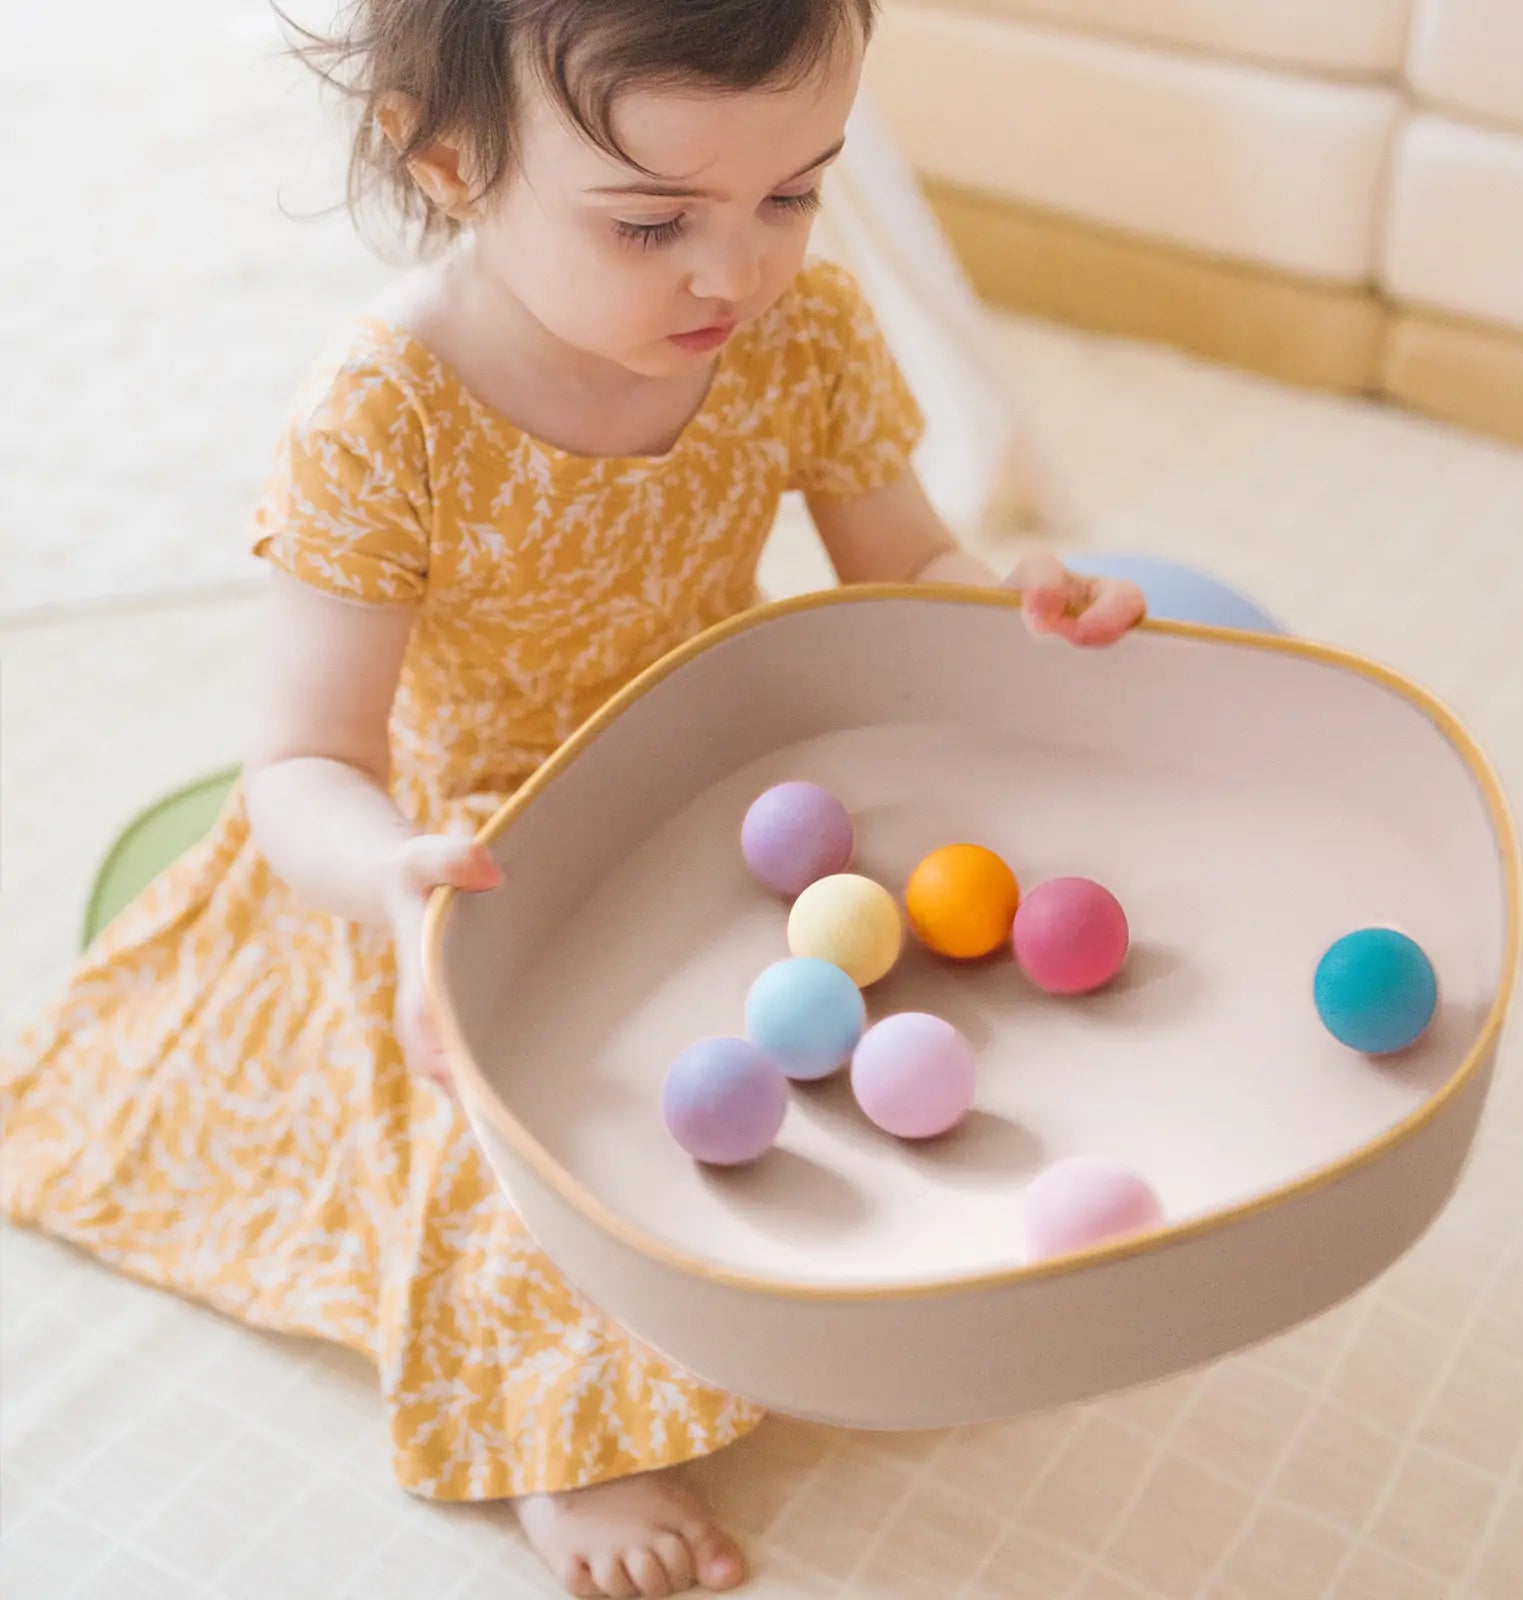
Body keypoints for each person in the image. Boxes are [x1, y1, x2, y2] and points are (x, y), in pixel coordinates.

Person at [0, 2, 1143, 1594]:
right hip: (468, 846)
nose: (733, 272)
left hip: (727, 785)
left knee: (917, 1023)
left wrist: (1005, 597)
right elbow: (305, 765)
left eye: (792, 194)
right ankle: (565, 1442)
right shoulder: (385, 412)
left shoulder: (800, 328)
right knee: (534, 1149)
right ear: (451, 159)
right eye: (652, 220)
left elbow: (904, 568)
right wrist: (395, 875)